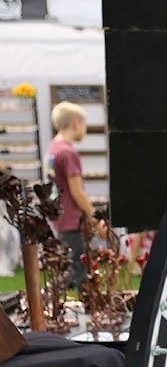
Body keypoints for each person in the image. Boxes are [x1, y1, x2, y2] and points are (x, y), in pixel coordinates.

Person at [46, 102, 95, 290]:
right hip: (72, 219)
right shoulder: (68, 152)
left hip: (59, 219)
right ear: (75, 123)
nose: (85, 129)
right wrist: (94, 218)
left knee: (66, 267)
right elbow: (77, 191)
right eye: (84, 124)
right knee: (78, 271)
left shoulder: (53, 149)